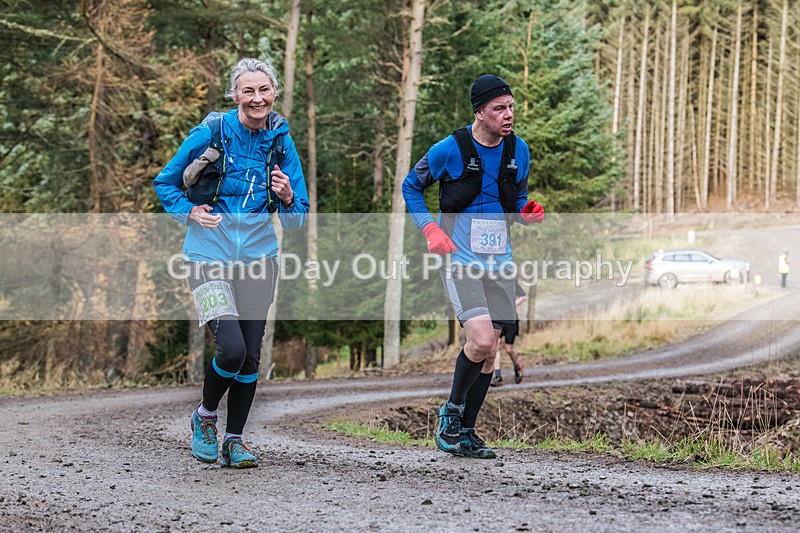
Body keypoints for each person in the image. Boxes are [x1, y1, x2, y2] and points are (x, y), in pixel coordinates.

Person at [154, 58, 309, 468]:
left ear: (274, 93)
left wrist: (289, 196)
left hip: (259, 260)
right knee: (232, 349)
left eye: (264, 90)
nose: (257, 99)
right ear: (235, 95)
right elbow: (164, 182)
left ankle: (234, 441)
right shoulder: (212, 132)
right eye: (248, 91)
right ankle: (205, 416)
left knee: (251, 357)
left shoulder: (281, 142)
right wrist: (188, 212)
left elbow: (297, 221)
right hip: (206, 256)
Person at [402, 74, 544, 459]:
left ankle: (466, 431)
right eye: (499, 108)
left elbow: (517, 200)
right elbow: (410, 187)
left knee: (490, 347)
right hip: (460, 260)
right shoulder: (451, 148)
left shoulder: (520, 150)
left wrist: (526, 213)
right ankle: (451, 412)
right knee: (481, 340)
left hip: (501, 263)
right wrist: (430, 228)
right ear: (480, 112)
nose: (509, 114)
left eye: (511, 106)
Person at [490, 281, 527, 387]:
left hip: (511, 319)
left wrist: (511, 304)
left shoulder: (510, 280)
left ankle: (517, 366)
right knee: (495, 346)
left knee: (509, 349)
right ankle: (498, 376)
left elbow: (523, 296)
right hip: (497, 318)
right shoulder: (492, 281)